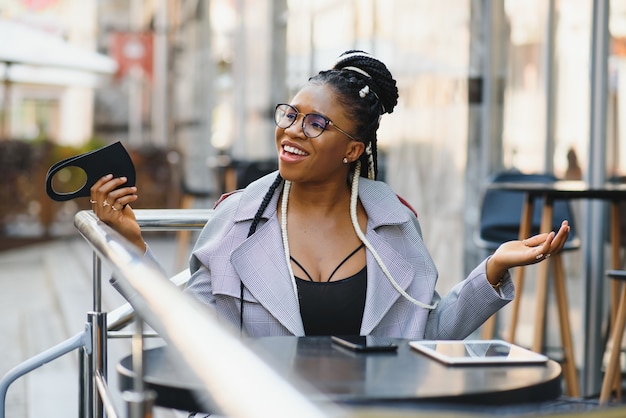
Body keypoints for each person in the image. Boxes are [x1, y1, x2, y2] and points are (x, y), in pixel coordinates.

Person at [91, 50, 570, 340]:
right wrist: (132, 251)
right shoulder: (238, 219)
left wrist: (491, 272)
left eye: (316, 123)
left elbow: (426, 336)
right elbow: (190, 333)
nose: (292, 132)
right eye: (290, 115)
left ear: (353, 149)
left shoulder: (393, 224)